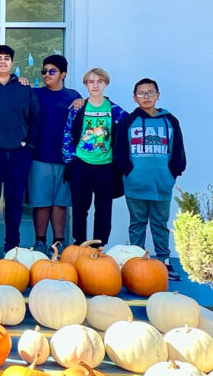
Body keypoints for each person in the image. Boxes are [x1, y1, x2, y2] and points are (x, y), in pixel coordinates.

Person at [114, 78, 186, 281]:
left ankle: (164, 260)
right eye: (141, 93)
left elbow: (178, 150)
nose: (146, 97)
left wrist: (173, 173)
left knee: (160, 223)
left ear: (158, 95)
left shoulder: (170, 121)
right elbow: (119, 152)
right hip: (135, 183)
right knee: (137, 223)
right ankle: (136, 261)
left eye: (150, 93)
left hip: (161, 183)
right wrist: (129, 171)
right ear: (134, 97)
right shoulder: (128, 122)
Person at [0, 44, 42, 255]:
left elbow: (35, 119)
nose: (3, 61)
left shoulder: (24, 89)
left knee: (14, 203)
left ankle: (13, 247)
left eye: (7, 58)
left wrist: (29, 146)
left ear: (12, 63)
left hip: (19, 154)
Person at [62, 67, 128, 246]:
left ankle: (100, 244)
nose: (95, 85)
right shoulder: (78, 108)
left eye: (99, 81)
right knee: (80, 207)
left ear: (106, 83)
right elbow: (67, 132)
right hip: (82, 164)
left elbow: (127, 130)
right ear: (86, 84)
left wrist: (121, 160)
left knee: (104, 208)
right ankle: (79, 242)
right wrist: (71, 161)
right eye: (91, 82)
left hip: (106, 166)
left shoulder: (114, 110)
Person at [29, 55, 82, 254]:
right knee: (41, 202)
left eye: (52, 71)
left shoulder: (73, 96)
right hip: (39, 157)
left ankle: (58, 242)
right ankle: (40, 241)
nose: (46, 75)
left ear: (63, 74)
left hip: (67, 159)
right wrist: (21, 82)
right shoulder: (35, 94)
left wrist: (81, 101)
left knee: (61, 203)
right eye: (44, 71)